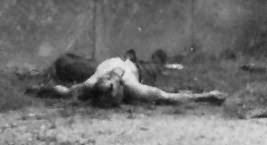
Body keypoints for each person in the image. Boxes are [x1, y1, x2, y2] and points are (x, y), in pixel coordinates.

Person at [36, 52, 225, 106]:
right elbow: (66, 91)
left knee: (157, 63)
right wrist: (206, 96)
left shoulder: (132, 86)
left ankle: (158, 59)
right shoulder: (92, 84)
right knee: (65, 63)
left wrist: (206, 96)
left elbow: (168, 97)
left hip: (137, 68)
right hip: (118, 65)